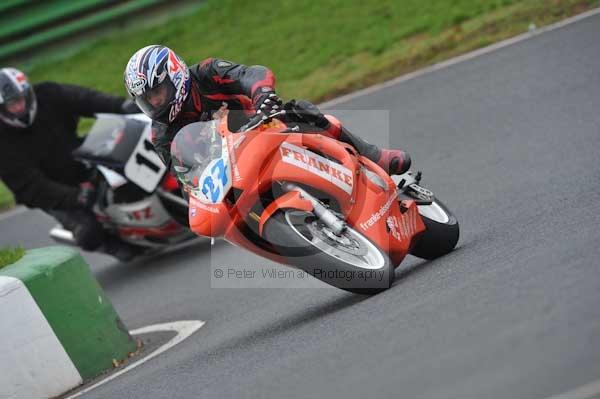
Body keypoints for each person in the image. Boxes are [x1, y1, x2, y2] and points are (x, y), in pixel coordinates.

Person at [123, 45, 411, 174]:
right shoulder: (161, 135)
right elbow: (184, 177)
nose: (155, 103)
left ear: (175, 75)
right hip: (232, 171)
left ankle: (374, 156)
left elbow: (251, 73)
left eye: (157, 93)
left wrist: (263, 96)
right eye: (147, 100)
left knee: (301, 110)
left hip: (266, 127)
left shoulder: (206, 72)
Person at [0, 67, 141, 260]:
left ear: (27, 92)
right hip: (52, 192)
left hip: (77, 155)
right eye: (10, 105)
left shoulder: (48, 94)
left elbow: (84, 98)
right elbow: (31, 187)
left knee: (130, 145)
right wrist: (76, 197)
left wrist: (121, 106)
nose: (17, 107)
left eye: (19, 99)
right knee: (88, 231)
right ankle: (111, 245)